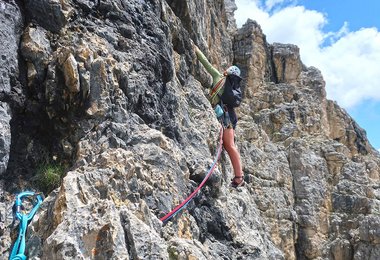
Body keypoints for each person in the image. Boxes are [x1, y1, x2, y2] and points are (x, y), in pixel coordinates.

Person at [194, 45, 244, 188]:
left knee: (229, 145)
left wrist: (196, 49)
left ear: (226, 72)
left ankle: (239, 178)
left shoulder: (218, 77)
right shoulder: (232, 86)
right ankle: (239, 177)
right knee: (230, 146)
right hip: (230, 117)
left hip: (224, 116)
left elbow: (206, 63)